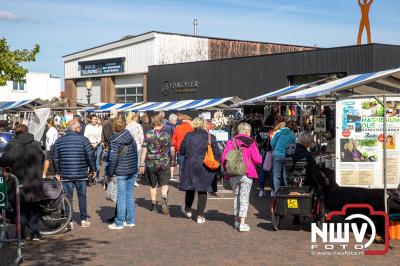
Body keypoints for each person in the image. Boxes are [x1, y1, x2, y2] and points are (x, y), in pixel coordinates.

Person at [0, 124, 45, 240]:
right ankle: (35, 233)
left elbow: (5, 160)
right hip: (34, 182)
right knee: (34, 209)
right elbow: (42, 159)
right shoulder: (36, 144)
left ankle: (21, 235)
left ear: (16, 133)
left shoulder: (12, 145)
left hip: (18, 183)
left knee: (20, 211)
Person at [52, 120, 96, 228]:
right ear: (76, 128)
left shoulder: (59, 141)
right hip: (81, 173)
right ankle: (84, 219)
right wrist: (93, 169)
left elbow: (55, 158)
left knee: (68, 197)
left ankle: (69, 221)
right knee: (82, 196)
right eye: (79, 127)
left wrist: (57, 172)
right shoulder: (84, 140)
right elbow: (90, 155)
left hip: (66, 174)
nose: (80, 129)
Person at [221, 122, 262, 232]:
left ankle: (236, 220)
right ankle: (242, 223)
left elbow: (224, 158)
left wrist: (226, 171)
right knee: (244, 197)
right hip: (247, 172)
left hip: (233, 173)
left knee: (236, 196)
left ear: (238, 131)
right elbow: (258, 160)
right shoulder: (251, 143)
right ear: (248, 131)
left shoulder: (230, 142)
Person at [180, 117, 221, 224]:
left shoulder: (188, 136)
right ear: (204, 125)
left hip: (190, 165)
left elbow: (182, 150)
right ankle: (199, 216)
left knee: (190, 188)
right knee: (203, 190)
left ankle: (188, 209)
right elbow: (217, 153)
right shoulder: (210, 137)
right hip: (205, 166)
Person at [106, 117, 138, 230]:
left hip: (121, 171)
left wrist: (109, 172)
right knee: (129, 195)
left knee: (121, 196)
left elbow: (113, 159)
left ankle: (119, 222)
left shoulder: (114, 140)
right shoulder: (129, 135)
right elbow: (135, 152)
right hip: (132, 169)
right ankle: (130, 220)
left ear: (114, 126)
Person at [139, 114, 175, 214]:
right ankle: (164, 196)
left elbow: (144, 151)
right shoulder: (167, 135)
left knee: (152, 185)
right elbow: (172, 149)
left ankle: (154, 206)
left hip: (151, 162)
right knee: (164, 184)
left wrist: (141, 165)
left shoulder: (148, 134)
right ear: (161, 122)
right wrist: (171, 157)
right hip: (164, 161)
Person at [271, 122, 296, 194]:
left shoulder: (279, 133)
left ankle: (277, 193)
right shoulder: (292, 135)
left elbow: (272, 143)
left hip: (277, 154)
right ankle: (288, 193)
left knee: (276, 175)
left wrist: (276, 148)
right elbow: (293, 148)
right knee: (286, 175)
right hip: (287, 156)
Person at [126, 112, 144, 187]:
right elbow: (141, 136)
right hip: (137, 145)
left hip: (129, 145)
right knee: (137, 162)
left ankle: (130, 177)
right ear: (135, 117)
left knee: (130, 162)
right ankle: (134, 179)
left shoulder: (127, 126)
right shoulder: (138, 125)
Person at [84, 114, 103, 180]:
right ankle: (89, 175)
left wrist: (97, 143)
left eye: (96, 119)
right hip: (90, 145)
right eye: (93, 119)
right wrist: (91, 144)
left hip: (98, 145)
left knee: (97, 161)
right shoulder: (87, 127)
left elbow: (101, 137)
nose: (95, 120)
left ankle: (96, 177)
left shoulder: (100, 127)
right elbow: (85, 136)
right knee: (90, 160)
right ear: (91, 120)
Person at [164, 114, 178, 180]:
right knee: (172, 160)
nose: (176, 121)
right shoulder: (173, 127)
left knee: (166, 160)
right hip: (171, 145)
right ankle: (171, 176)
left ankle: (166, 175)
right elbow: (174, 137)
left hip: (164, 146)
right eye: (175, 120)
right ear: (172, 120)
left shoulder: (164, 125)